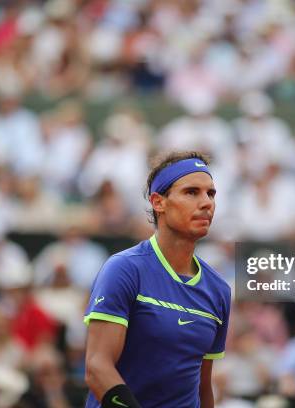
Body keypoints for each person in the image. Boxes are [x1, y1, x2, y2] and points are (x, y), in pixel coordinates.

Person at [83, 151, 231, 408]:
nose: (207, 202)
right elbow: (97, 367)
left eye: (211, 194)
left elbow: (203, 386)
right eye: (191, 192)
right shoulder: (124, 269)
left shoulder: (218, 290)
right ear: (158, 202)